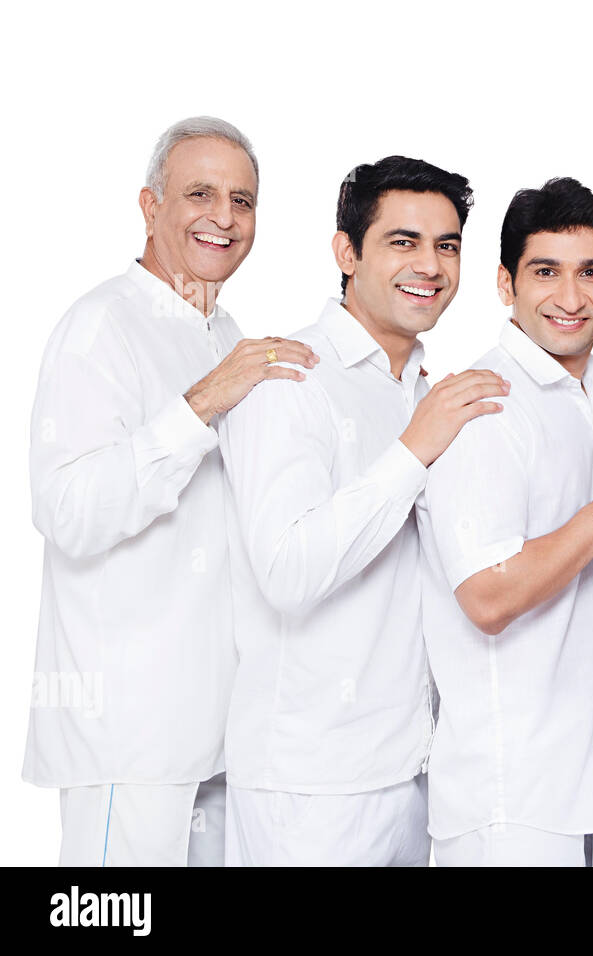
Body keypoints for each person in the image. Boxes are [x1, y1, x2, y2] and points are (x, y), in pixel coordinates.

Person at [26, 116, 318, 866]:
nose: (224, 217)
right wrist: (198, 407)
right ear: (150, 206)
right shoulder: (99, 328)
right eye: (200, 193)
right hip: (132, 732)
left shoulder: (227, 335)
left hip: (226, 734)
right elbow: (67, 511)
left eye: (243, 200)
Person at [217, 156, 507, 866]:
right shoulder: (289, 377)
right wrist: (413, 451)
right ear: (347, 252)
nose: (430, 266)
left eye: (447, 245)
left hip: (410, 777)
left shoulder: (422, 388)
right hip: (310, 789)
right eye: (402, 242)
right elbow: (286, 570)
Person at [417, 176, 593, 866]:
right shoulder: (487, 407)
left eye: (591, 273)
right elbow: (487, 596)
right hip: (508, 799)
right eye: (545, 272)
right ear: (505, 283)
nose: (571, 298)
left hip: (592, 783)